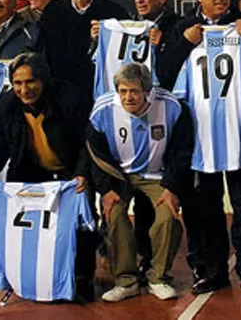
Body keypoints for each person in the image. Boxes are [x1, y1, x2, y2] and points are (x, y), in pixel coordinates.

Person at [156, 0, 241, 297]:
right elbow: (164, 78)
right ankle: (213, 270)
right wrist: (182, 44)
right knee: (206, 209)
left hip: (239, 136)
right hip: (199, 139)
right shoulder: (185, 30)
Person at [0, 52, 96, 301]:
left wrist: (82, 174)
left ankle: (83, 277)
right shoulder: (7, 105)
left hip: (70, 172)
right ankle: (28, 274)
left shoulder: (70, 99)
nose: (24, 89)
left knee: (79, 227)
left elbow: (87, 142)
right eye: (18, 83)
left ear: (43, 79)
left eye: (30, 81)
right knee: (21, 223)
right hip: (30, 170)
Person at [87, 63, 192, 302]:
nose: (128, 97)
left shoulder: (172, 107)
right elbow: (96, 154)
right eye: (123, 91)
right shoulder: (102, 110)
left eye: (134, 91)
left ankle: (158, 278)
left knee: (168, 216)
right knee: (114, 215)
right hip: (119, 176)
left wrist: (172, 187)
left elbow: (182, 150)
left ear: (147, 90)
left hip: (157, 174)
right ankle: (126, 281)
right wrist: (105, 191)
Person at [36, 0, 129, 96]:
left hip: (101, 95)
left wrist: (102, 40)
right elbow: (42, 54)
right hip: (59, 98)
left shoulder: (114, 13)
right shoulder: (52, 11)